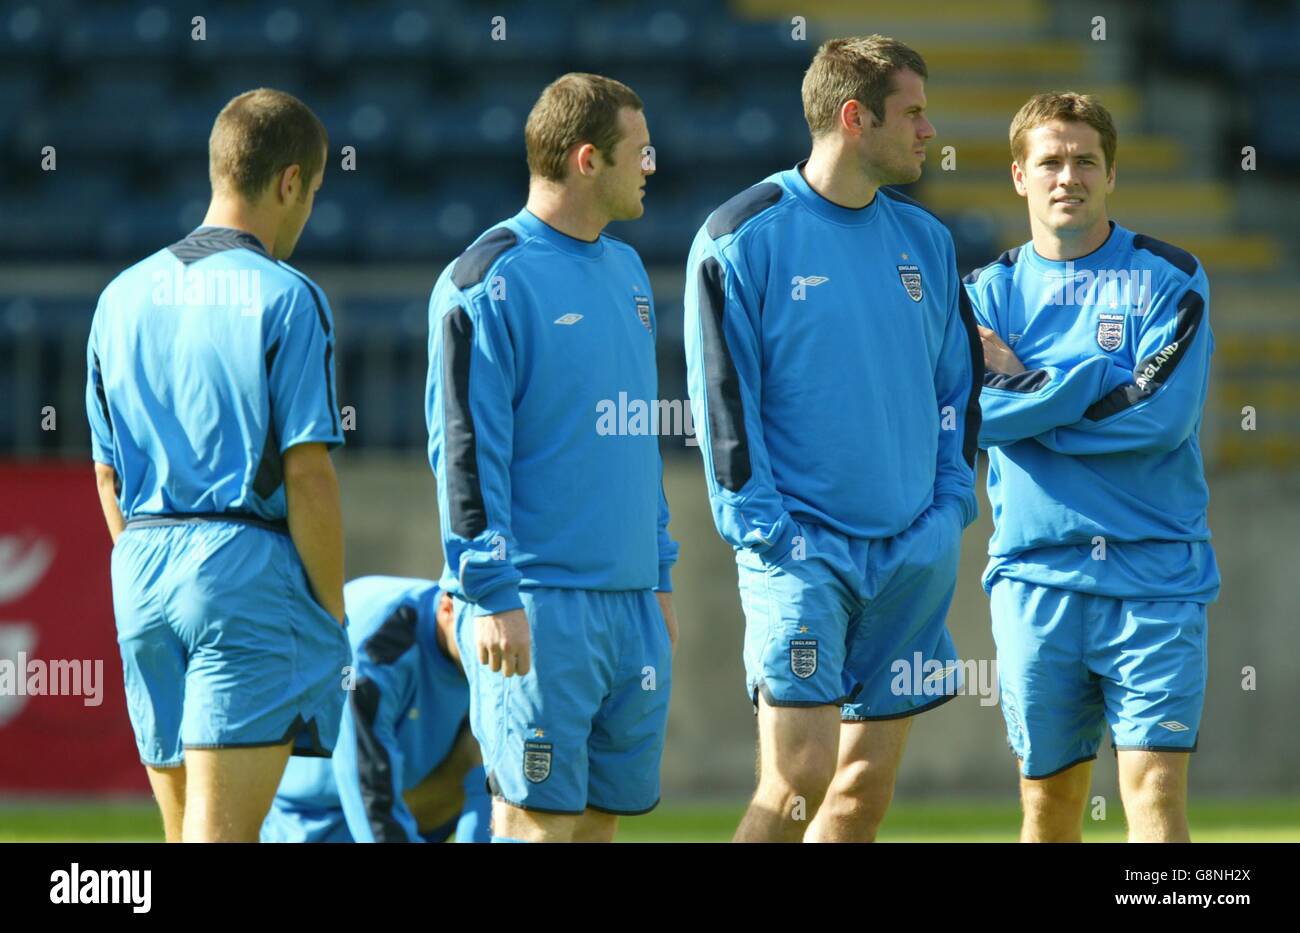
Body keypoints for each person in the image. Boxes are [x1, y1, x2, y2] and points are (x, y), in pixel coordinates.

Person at [684, 35, 982, 842]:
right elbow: (723, 409)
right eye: (913, 113)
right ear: (855, 118)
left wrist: (950, 506)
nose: (929, 131)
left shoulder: (928, 240)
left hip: (912, 552)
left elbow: (957, 389)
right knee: (799, 776)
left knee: (861, 791)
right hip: (801, 551)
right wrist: (773, 537)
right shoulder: (740, 236)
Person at [86, 88, 349, 842]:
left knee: (184, 835)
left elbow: (106, 476)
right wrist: (329, 610)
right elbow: (307, 475)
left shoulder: (119, 297)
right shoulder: (290, 297)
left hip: (138, 569)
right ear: (291, 181)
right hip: (242, 570)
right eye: (313, 193)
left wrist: (151, 565)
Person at [424, 73, 679, 843]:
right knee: (535, 826)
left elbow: (637, 437)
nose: (652, 165)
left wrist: (659, 570)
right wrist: (492, 589)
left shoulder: (629, 271)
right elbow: (465, 454)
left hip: (633, 604)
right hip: (537, 602)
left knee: (597, 828)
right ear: (586, 159)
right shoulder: (485, 280)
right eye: (641, 151)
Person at [964, 92, 1218, 842]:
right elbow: (976, 418)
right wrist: (1094, 379)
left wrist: (1032, 392)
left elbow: (1160, 418)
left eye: (1084, 161)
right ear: (1019, 174)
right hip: (1035, 579)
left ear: (1111, 174)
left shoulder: (1171, 276)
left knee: (1156, 798)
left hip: (1155, 578)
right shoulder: (985, 293)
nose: (1066, 176)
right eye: (1049, 160)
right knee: (1048, 810)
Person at [262, 576, 491, 843]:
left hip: (405, 802)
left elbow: (491, 780)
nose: (498, 646)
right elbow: (365, 779)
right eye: (489, 630)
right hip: (302, 818)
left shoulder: (505, 647)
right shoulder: (379, 640)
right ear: (448, 609)